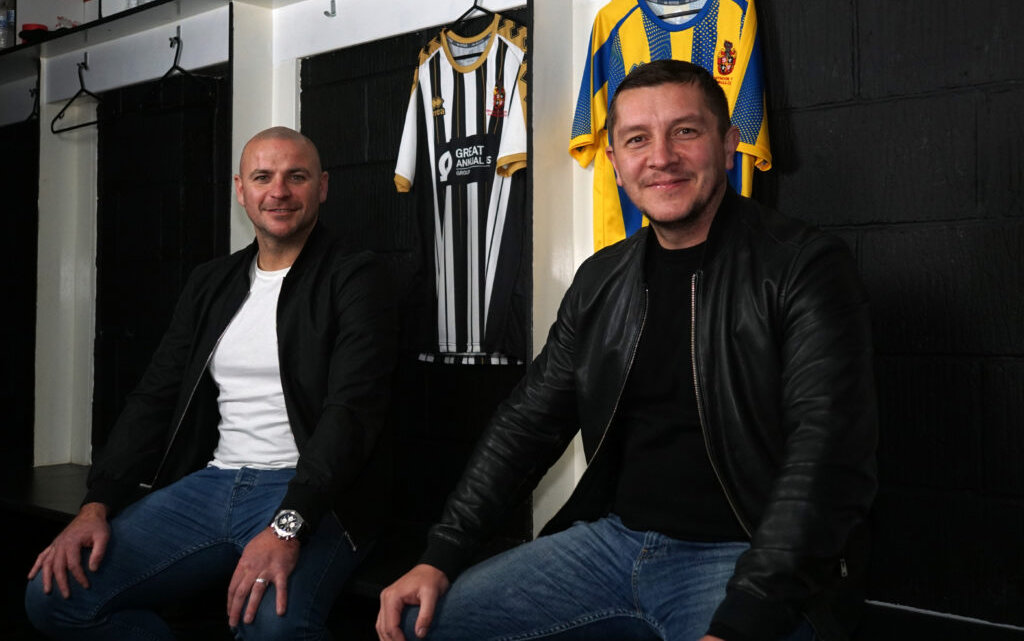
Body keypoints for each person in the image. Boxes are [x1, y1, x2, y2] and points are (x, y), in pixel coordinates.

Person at [377, 60, 877, 641]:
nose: (661, 156)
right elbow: (526, 425)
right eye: (637, 139)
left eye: (685, 132)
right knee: (423, 622)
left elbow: (825, 458)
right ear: (614, 164)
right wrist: (441, 555)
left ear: (729, 143)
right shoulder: (601, 281)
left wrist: (746, 617)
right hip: (611, 544)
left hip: (746, 555)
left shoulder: (804, 266)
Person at [26, 127, 398, 640]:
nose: (279, 192)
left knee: (274, 625)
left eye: (297, 177)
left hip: (316, 494)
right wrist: (96, 504)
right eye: (263, 177)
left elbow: (351, 413)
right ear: (240, 189)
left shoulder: (357, 277)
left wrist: (290, 523)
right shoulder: (212, 283)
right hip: (214, 484)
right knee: (55, 596)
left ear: (323, 186)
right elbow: (154, 396)